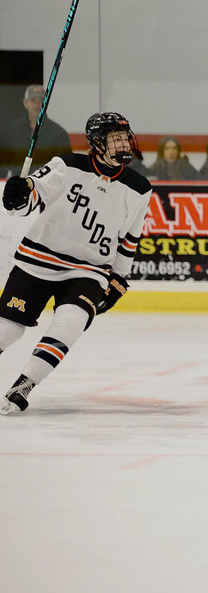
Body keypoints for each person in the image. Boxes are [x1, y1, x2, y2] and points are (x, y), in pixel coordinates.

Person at [0, 112, 151, 415]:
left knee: (71, 322)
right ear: (97, 142)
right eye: (115, 138)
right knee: (7, 329)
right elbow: (28, 198)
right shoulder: (67, 166)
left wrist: (119, 277)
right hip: (38, 259)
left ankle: (25, 384)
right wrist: (17, 195)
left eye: (125, 137)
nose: (124, 143)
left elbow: (129, 239)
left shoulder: (139, 188)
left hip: (89, 270)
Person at [0, 85, 72, 179]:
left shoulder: (59, 133)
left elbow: (67, 166)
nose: (37, 105)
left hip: (47, 187)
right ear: (25, 103)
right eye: (33, 101)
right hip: (17, 186)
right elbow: (3, 162)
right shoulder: (10, 131)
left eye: (41, 101)